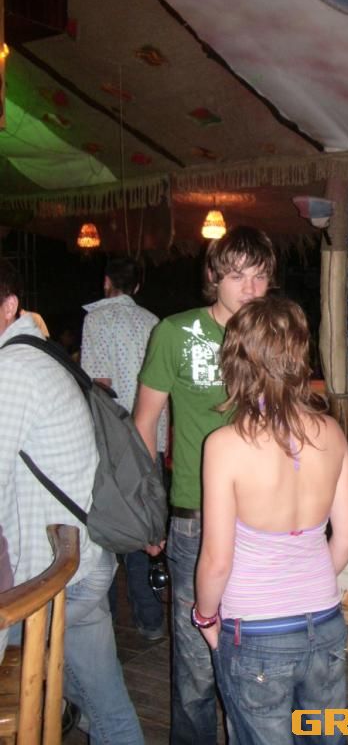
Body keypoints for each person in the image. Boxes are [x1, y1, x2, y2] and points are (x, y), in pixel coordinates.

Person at [194, 296, 348, 745]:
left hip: (257, 633)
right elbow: (347, 536)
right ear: (300, 356)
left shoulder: (224, 446)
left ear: (237, 361)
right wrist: (307, 583)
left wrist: (204, 617)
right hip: (325, 623)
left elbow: (216, 562)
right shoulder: (332, 433)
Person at [135, 226, 276, 745]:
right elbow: (144, 425)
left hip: (265, 518)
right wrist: (150, 509)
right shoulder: (175, 332)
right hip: (195, 517)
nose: (250, 288)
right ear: (214, 276)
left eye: (260, 276)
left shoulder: (273, 335)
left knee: (258, 656)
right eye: (237, 275)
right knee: (196, 662)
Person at [0, 259, 144, 744]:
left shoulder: (12, 370)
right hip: (79, 561)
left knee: (70, 700)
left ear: (9, 306)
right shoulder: (38, 354)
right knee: (101, 705)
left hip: (49, 579)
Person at [81, 255, 168, 641]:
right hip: (152, 440)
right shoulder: (153, 322)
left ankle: (107, 622)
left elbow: (98, 385)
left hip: (114, 442)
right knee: (144, 528)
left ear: (106, 282)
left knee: (108, 527)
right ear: (137, 285)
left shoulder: (97, 319)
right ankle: (150, 619)